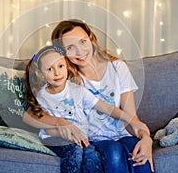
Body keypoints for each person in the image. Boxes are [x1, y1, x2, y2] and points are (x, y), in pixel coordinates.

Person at [49, 19, 154, 173]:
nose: (80, 52)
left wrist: (146, 139)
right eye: (70, 47)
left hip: (124, 134)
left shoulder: (118, 68)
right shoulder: (68, 81)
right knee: (114, 153)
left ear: (91, 39)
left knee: (141, 160)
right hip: (95, 140)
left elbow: (131, 117)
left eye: (83, 42)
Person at [24, 45, 148, 173]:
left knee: (92, 156)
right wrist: (63, 132)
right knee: (75, 153)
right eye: (50, 69)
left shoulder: (78, 90)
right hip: (56, 139)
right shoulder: (43, 96)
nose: (57, 73)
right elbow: (45, 125)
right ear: (41, 74)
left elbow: (106, 107)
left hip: (82, 140)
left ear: (66, 65)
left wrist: (131, 119)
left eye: (60, 66)